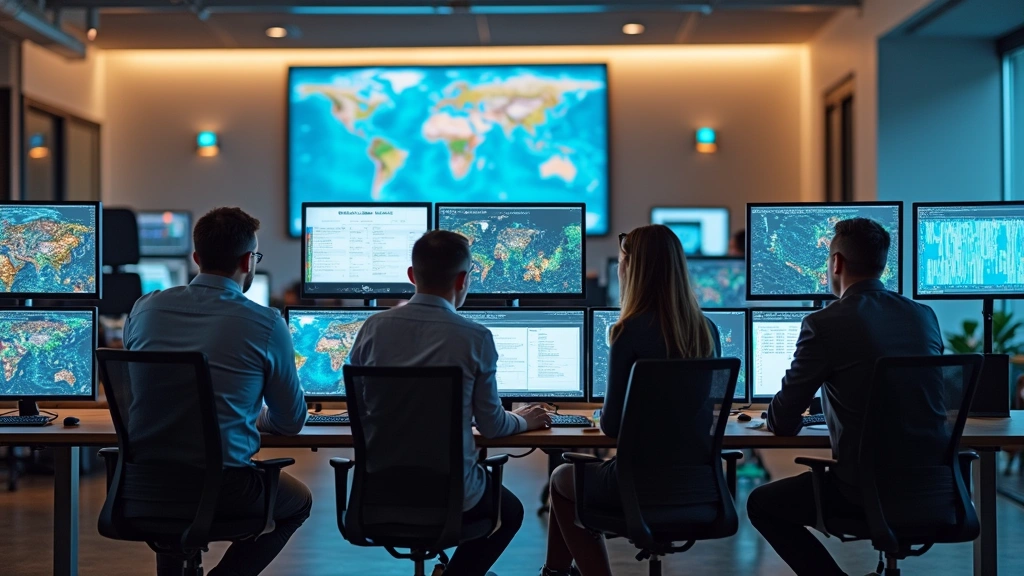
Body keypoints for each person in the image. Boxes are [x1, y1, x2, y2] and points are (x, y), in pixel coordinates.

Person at [746, 218, 943, 576]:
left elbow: (782, 421)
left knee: (761, 503)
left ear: (835, 263)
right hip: (935, 488)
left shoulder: (825, 323)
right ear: (882, 264)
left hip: (861, 493)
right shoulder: (923, 316)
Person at [349, 230, 552, 576]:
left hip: (380, 491)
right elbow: (492, 425)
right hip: (453, 496)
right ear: (463, 279)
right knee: (511, 511)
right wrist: (524, 419)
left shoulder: (371, 328)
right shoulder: (474, 338)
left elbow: (364, 406)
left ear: (412, 276)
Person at [124, 207, 310, 576]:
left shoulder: (145, 308)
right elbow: (291, 422)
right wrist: (250, 414)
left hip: (142, 486)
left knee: (175, 509)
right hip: (225, 489)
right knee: (298, 502)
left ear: (196, 258)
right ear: (247, 261)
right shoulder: (265, 322)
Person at [540, 224, 721, 576]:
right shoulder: (707, 329)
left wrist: (601, 412)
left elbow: (611, 427)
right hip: (697, 485)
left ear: (631, 269)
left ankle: (560, 574)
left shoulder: (628, 332)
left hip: (637, 484)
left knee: (562, 479)